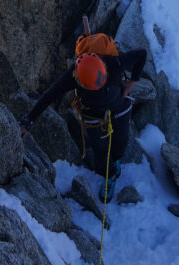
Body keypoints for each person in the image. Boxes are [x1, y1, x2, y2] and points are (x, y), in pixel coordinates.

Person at [19, 32, 147, 202]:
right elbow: (49, 95)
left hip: (119, 108)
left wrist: (133, 82)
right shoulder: (73, 76)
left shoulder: (115, 63)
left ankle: (115, 162)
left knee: (120, 144)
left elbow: (142, 54)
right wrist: (28, 122)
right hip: (93, 116)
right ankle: (108, 175)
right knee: (100, 151)